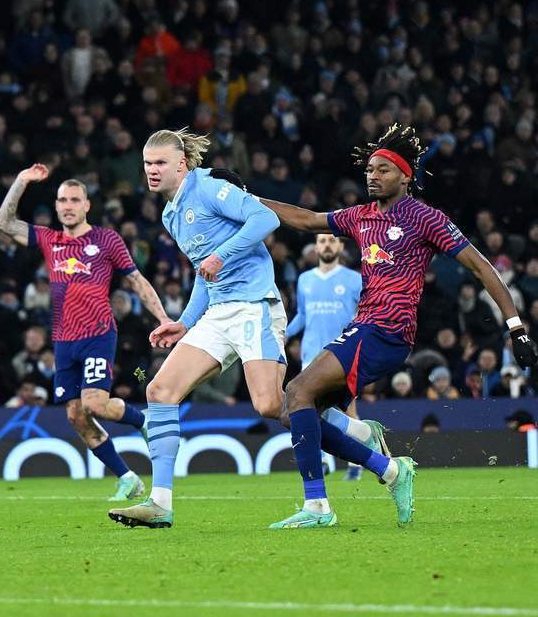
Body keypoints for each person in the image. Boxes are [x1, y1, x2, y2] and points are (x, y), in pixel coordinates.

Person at [260, 124, 537, 528]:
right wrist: (246, 199)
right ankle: (390, 469)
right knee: (293, 411)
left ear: (405, 176)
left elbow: (481, 267)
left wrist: (516, 327)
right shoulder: (361, 216)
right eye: (369, 170)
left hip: (388, 331)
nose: (372, 176)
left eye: (382, 170)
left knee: (298, 391)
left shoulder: (425, 219)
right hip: (365, 326)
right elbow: (305, 220)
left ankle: (318, 506)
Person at [109, 130, 383, 530]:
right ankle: (160, 502)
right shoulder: (170, 214)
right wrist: (183, 322)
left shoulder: (208, 187)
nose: (152, 170)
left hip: (255, 306)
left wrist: (223, 254)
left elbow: (265, 217)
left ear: (182, 163)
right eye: (148, 164)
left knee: (271, 405)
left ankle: (362, 437)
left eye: (161, 163)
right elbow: (205, 276)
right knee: (159, 391)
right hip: (219, 312)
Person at [0, 163, 171, 501]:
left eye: (75, 199)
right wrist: (21, 181)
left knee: (95, 404)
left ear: (86, 205)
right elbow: (2, 223)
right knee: (76, 414)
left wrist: (162, 317)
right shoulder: (49, 239)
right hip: (63, 340)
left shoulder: (106, 239)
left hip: (98, 333)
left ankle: (143, 421)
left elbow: (136, 280)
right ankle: (127, 477)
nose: (68, 205)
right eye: (62, 200)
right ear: (57, 206)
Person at [285, 232, 367, 479]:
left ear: (340, 246)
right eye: (322, 241)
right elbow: (302, 315)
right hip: (311, 354)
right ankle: (321, 460)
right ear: (317, 247)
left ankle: (357, 463)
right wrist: (285, 334)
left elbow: (363, 314)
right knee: (309, 408)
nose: (327, 244)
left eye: (332, 240)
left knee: (346, 408)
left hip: (341, 354)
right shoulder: (304, 279)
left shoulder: (355, 279)